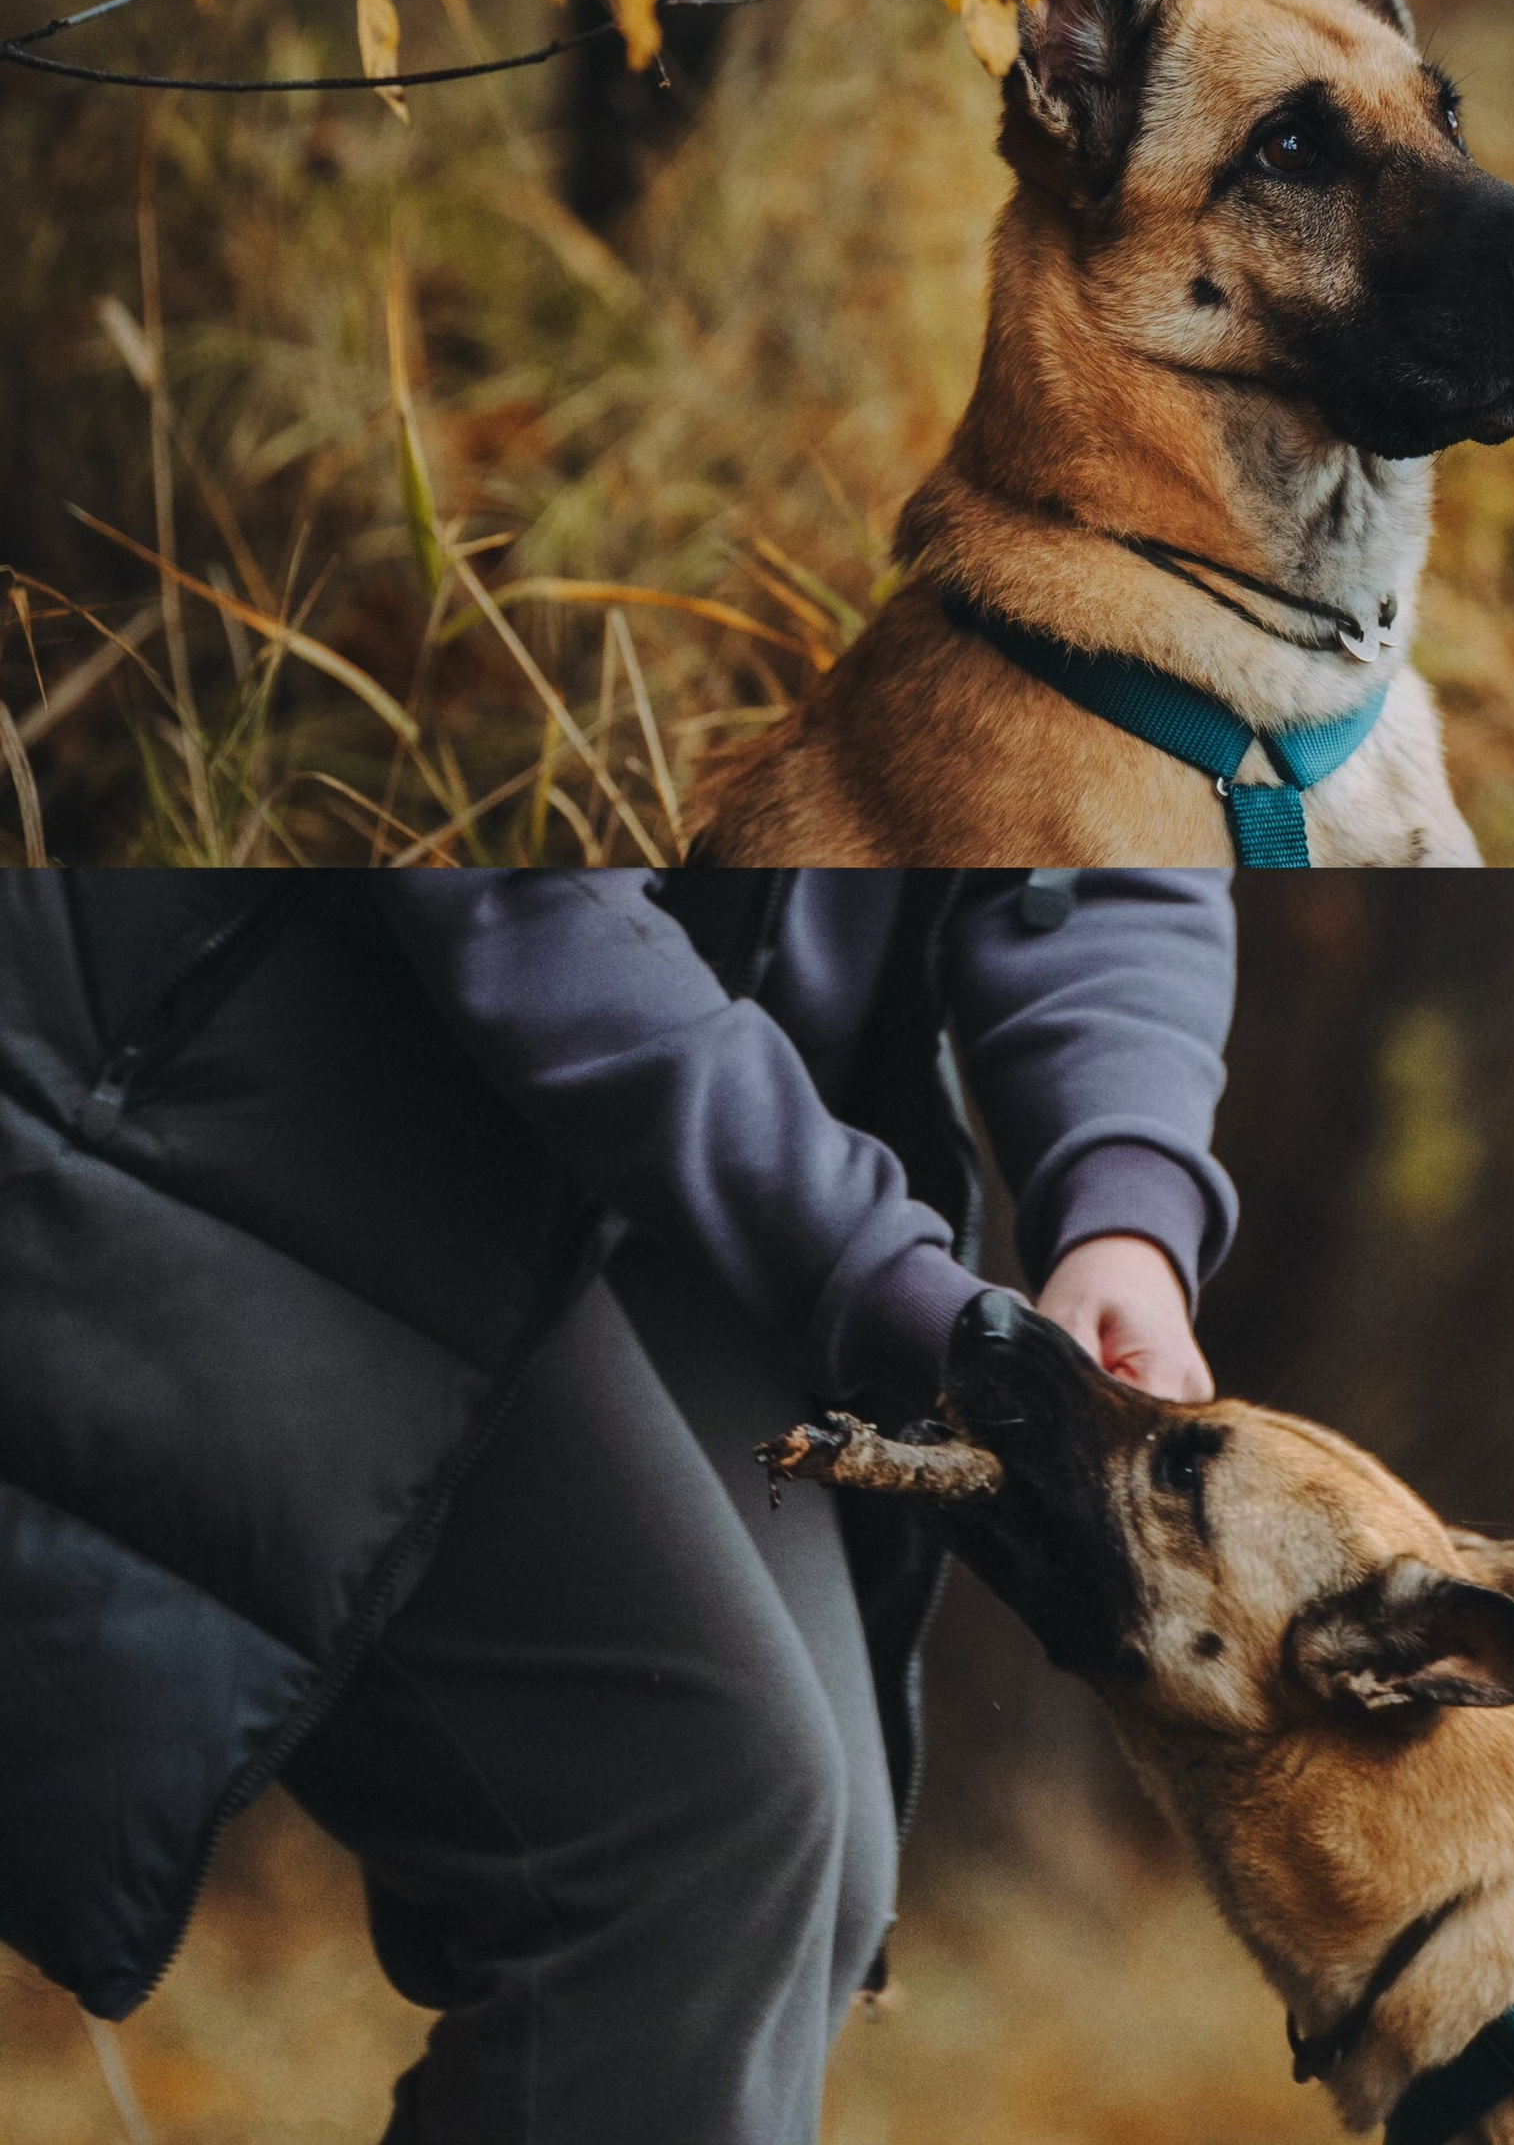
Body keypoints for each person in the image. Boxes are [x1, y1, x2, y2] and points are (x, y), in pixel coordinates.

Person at [0, 864, 1236, 2145]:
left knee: (810, 1885)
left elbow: (1103, 833)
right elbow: (510, 885)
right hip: (299, 1075)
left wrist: (1125, 1209)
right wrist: (886, 1282)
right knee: (697, 1826)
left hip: (680, 1161)